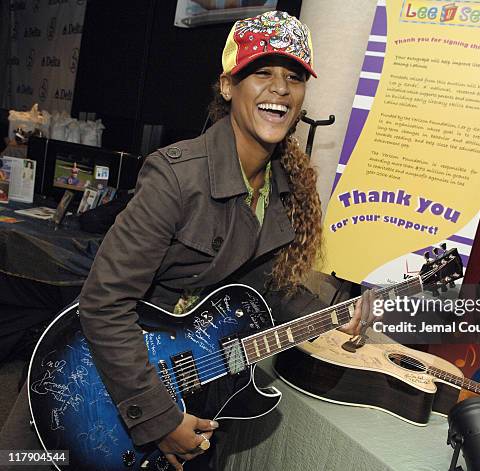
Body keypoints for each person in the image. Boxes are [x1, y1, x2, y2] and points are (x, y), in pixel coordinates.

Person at [77, 10, 374, 471]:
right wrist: (158, 419)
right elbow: (102, 303)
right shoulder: (177, 175)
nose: (280, 88)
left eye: (294, 77)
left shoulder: (285, 191)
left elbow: (265, 293)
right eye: (262, 72)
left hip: (201, 391)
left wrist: (329, 317)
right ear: (228, 85)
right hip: (114, 390)